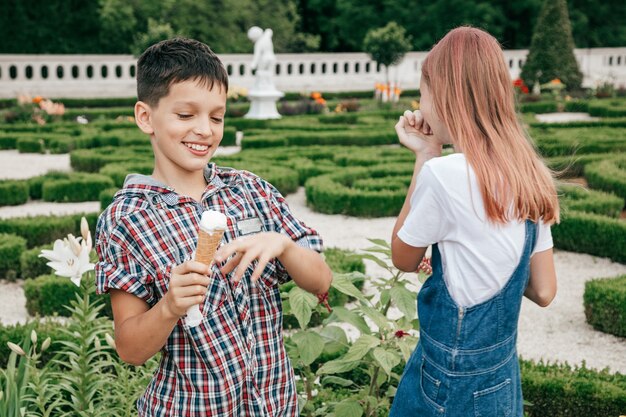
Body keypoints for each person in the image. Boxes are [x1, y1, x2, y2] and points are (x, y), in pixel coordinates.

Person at [94, 37, 332, 416]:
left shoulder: (251, 191)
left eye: (216, 117)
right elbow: (130, 349)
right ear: (145, 117)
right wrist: (170, 306)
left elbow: (321, 281)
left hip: (275, 405)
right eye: (186, 115)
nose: (204, 130)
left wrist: (284, 245)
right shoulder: (127, 218)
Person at [389, 26, 559, 417]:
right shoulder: (530, 173)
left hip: (445, 386)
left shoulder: (444, 175)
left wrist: (425, 154)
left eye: (423, 94)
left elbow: (403, 256)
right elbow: (545, 290)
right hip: (500, 383)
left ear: (445, 97)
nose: (421, 105)